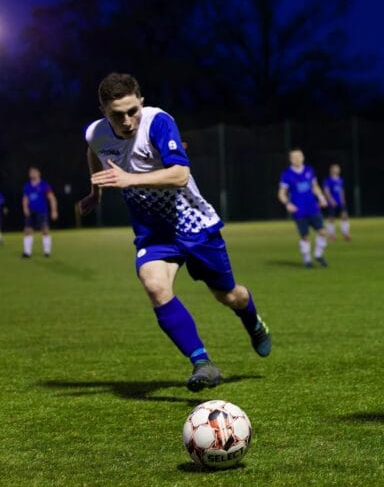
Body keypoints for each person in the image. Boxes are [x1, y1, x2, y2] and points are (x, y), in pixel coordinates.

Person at [77, 72, 271, 392]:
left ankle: (252, 320)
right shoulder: (96, 134)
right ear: (102, 111)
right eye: (117, 115)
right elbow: (92, 151)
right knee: (154, 286)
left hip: (195, 226)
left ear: (141, 101)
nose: (127, 120)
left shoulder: (158, 122)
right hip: (154, 232)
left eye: (132, 111)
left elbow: (180, 175)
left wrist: (129, 180)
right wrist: (95, 193)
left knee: (228, 295)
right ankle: (202, 362)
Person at [277, 147, 329, 267]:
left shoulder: (309, 170)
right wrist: (287, 204)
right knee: (305, 236)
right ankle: (307, 259)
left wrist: (321, 198)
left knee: (322, 232)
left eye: (299, 156)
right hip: (299, 210)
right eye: (294, 157)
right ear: (291, 159)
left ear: (303, 157)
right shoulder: (287, 175)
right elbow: (281, 193)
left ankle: (318, 254)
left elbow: (315, 186)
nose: (297, 159)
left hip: (313, 207)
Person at [22, 166, 58, 258]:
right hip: (30, 212)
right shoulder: (27, 186)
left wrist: (54, 211)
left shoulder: (44, 185)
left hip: (42, 212)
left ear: (38, 173)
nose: (32, 173)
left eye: (34, 172)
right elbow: (25, 199)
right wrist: (25, 208)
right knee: (27, 230)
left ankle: (47, 252)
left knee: (45, 230)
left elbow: (52, 198)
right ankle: (27, 252)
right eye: (30, 172)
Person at [322, 163, 351, 241]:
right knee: (331, 219)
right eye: (335, 168)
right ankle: (331, 235)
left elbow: (341, 190)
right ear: (331, 170)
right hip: (332, 202)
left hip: (340, 201)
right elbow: (326, 191)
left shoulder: (340, 180)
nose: (337, 170)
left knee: (344, 216)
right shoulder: (327, 180)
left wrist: (343, 199)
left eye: (338, 168)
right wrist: (331, 200)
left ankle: (346, 233)